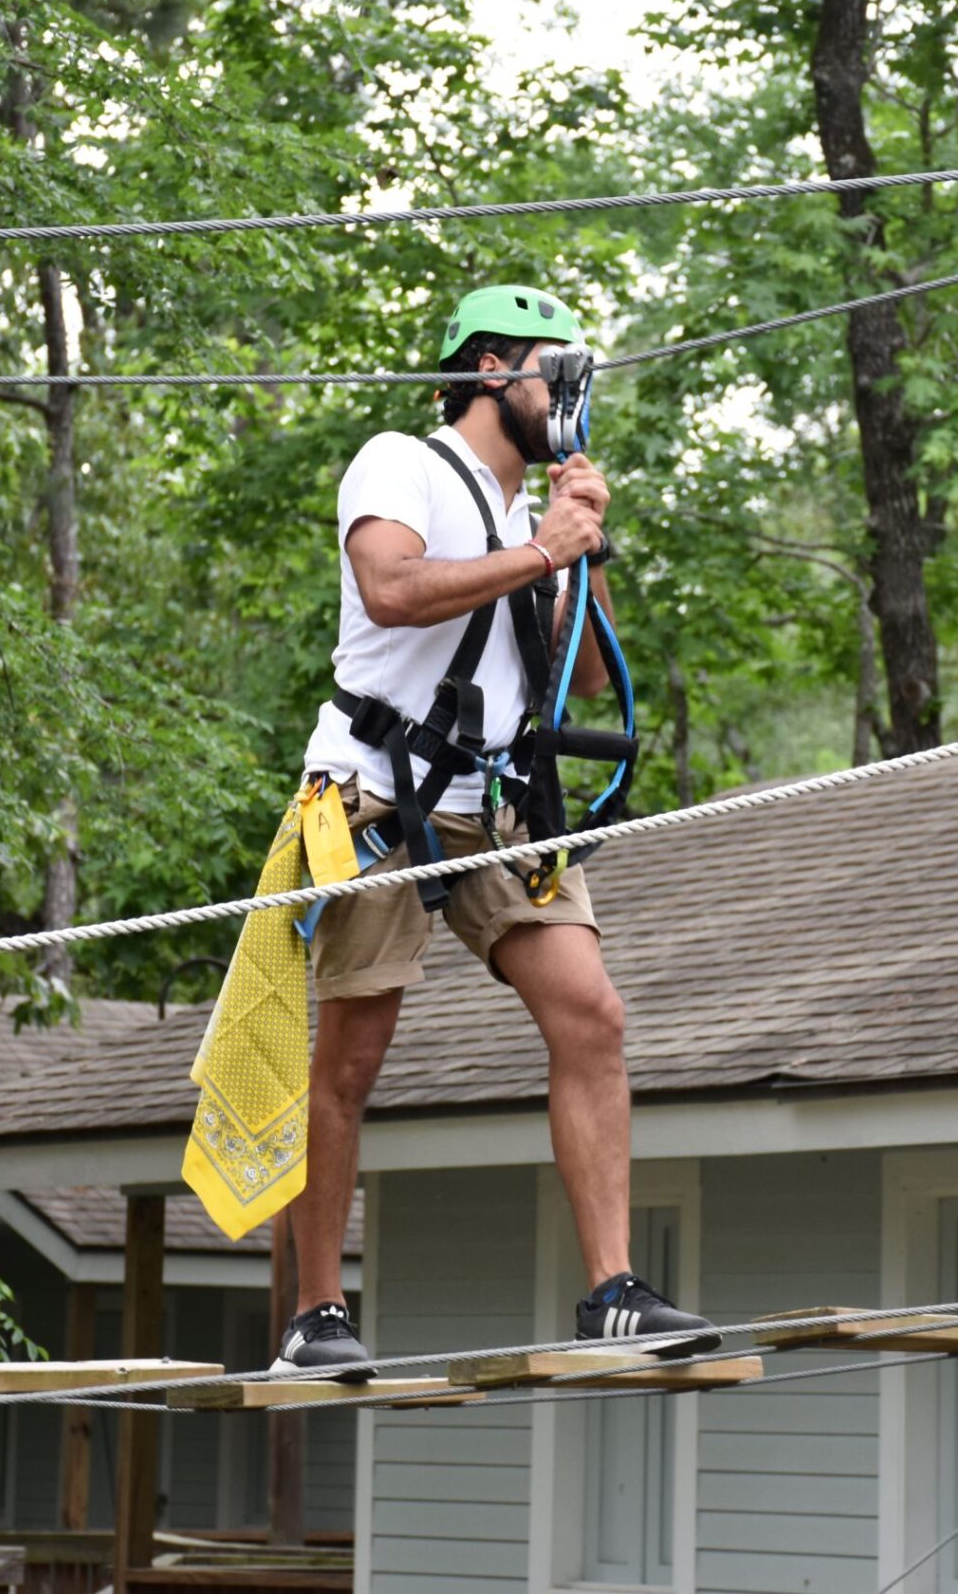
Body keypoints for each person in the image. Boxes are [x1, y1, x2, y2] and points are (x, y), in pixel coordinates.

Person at [273, 286, 718, 1377]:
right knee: (350, 1055)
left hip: (501, 802)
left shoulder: (535, 522)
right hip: (381, 792)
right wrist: (540, 548)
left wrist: (583, 551)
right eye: (550, 371)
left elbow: (590, 675)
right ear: (486, 371)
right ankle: (316, 1317)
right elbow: (390, 589)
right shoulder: (400, 463)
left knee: (593, 1016)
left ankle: (612, 1292)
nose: (568, 395)